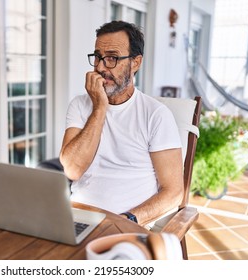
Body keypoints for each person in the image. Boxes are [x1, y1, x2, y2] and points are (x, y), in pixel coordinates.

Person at [59, 21, 184, 226]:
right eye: (98, 57)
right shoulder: (80, 106)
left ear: (135, 62)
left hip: (126, 223)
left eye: (111, 58)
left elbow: (174, 192)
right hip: (77, 218)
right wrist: (100, 107)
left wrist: (128, 220)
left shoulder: (156, 115)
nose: (100, 67)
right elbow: (73, 170)